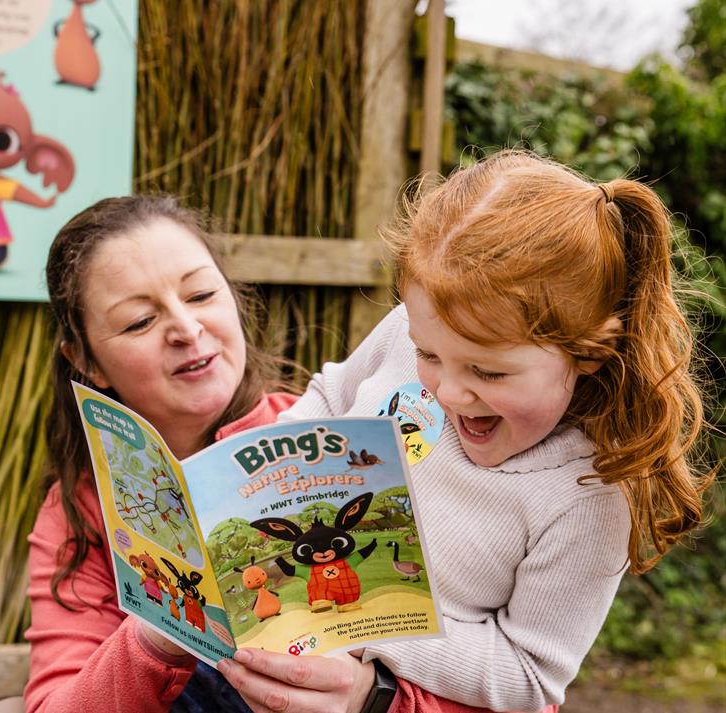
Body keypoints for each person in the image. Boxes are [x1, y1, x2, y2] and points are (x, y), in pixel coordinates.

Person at [217, 150, 711, 712]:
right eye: (429, 354)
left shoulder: (589, 496)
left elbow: (530, 676)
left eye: (489, 371)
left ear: (590, 352)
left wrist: (372, 621)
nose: (447, 392)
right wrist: (245, 468)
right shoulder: (421, 329)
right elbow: (333, 396)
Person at [21, 195, 548, 713]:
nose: (186, 329)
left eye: (201, 294)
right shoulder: (82, 513)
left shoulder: (337, 444)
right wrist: (159, 631)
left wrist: (374, 700)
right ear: (86, 361)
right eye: (139, 321)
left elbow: (521, 689)